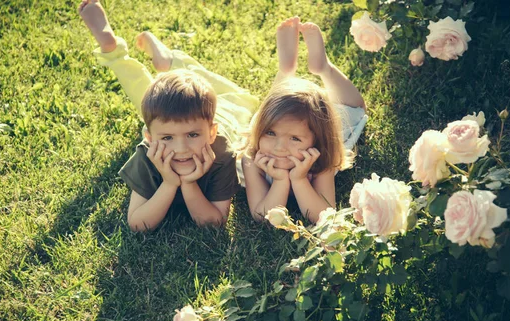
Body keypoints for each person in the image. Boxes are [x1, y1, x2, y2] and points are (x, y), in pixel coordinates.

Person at [78, 0, 258, 231]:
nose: (181, 148)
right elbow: (138, 223)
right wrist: (170, 183)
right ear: (149, 137)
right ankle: (169, 61)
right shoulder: (147, 154)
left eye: (193, 135)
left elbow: (214, 223)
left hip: (229, 111)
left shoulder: (221, 150)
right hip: (201, 113)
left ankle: (127, 57)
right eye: (167, 138)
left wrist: (189, 183)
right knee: (152, 104)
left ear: (212, 132)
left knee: (243, 98)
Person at [241, 17, 368, 224]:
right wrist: (281, 180)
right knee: (271, 110)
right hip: (273, 120)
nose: (279, 147)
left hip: (316, 122)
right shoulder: (252, 158)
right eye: (270, 134)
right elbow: (260, 215)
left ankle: (323, 67)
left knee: (354, 108)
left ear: (316, 141)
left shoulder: (321, 158)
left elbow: (323, 217)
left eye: (295, 139)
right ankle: (286, 70)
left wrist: (299, 179)